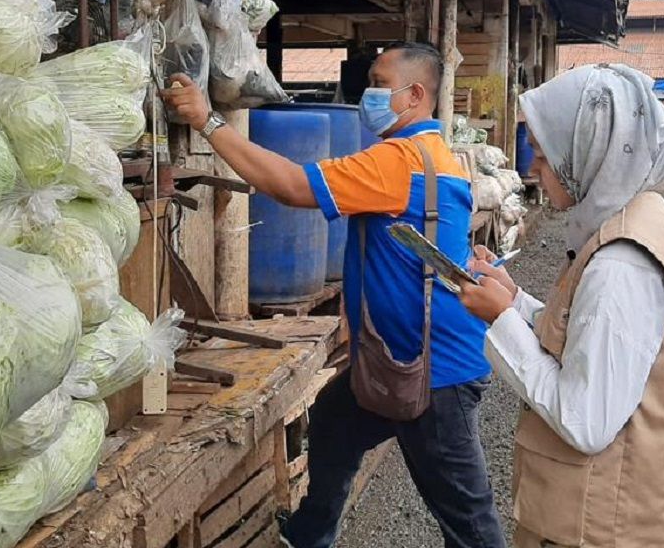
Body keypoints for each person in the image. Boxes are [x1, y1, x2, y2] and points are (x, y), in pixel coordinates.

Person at [162, 41, 506, 548]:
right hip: (396, 358)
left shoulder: (398, 160)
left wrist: (209, 121)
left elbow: (292, 187)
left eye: (379, 82)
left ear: (413, 95)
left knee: (470, 522)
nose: (368, 92)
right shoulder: (437, 153)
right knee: (333, 420)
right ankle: (308, 534)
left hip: (433, 374)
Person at [456, 63, 664, 548]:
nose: (532, 166)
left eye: (545, 153)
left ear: (591, 149)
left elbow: (584, 420)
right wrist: (516, 300)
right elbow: (590, 331)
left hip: (603, 527)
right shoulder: (638, 214)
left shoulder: (621, 264)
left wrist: (500, 320)